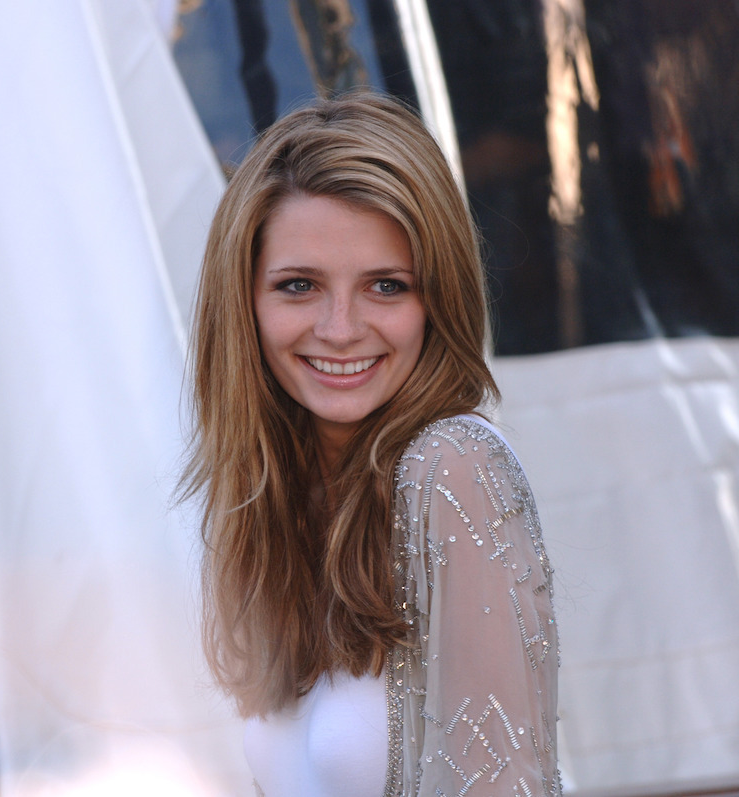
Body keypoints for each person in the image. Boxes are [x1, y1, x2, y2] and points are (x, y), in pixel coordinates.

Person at [183, 92, 560, 796]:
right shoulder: (271, 497)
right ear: (244, 304)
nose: (340, 326)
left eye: (386, 286)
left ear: (435, 300)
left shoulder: (454, 469)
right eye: (299, 286)